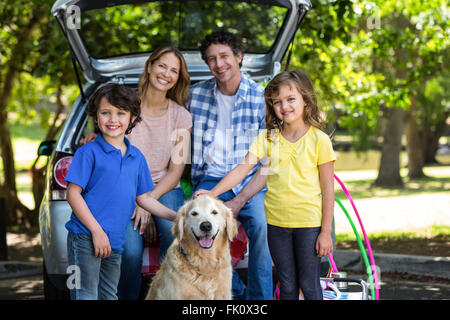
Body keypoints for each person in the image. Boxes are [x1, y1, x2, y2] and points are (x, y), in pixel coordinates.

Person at [194, 70, 336, 300]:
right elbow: (242, 169)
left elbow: (329, 191)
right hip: (277, 225)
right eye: (277, 102)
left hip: (308, 225)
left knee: (309, 286)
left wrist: (326, 232)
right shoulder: (268, 138)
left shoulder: (319, 140)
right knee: (287, 285)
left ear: (305, 99)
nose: (284, 106)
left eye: (291, 99)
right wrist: (213, 192)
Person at [81, 45, 192, 300]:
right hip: (124, 186)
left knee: (174, 237)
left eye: (174, 70)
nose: (166, 73)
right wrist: (93, 138)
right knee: (129, 252)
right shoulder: (125, 105)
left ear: (178, 78)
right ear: (150, 66)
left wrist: (147, 202)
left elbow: (176, 172)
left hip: (164, 185)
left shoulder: (181, 117)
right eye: (162, 65)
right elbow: (108, 135)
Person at [65, 83, 176, 300]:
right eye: (105, 113)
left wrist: (176, 216)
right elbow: (73, 194)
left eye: (120, 113)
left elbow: (143, 197)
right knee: (85, 295)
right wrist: (96, 232)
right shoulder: (88, 153)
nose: (113, 119)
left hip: (114, 240)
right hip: (85, 236)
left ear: (132, 118)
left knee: (109, 295)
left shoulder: (136, 157)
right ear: (96, 118)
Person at [188, 29, 273, 300]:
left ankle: (258, 301)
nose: (219, 64)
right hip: (211, 181)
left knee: (262, 226)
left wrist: (238, 202)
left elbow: (267, 164)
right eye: (212, 59)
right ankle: (236, 293)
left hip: (252, 183)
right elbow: (150, 114)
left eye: (224, 56)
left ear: (238, 57)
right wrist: (100, 133)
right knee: (193, 230)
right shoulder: (194, 95)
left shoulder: (262, 98)